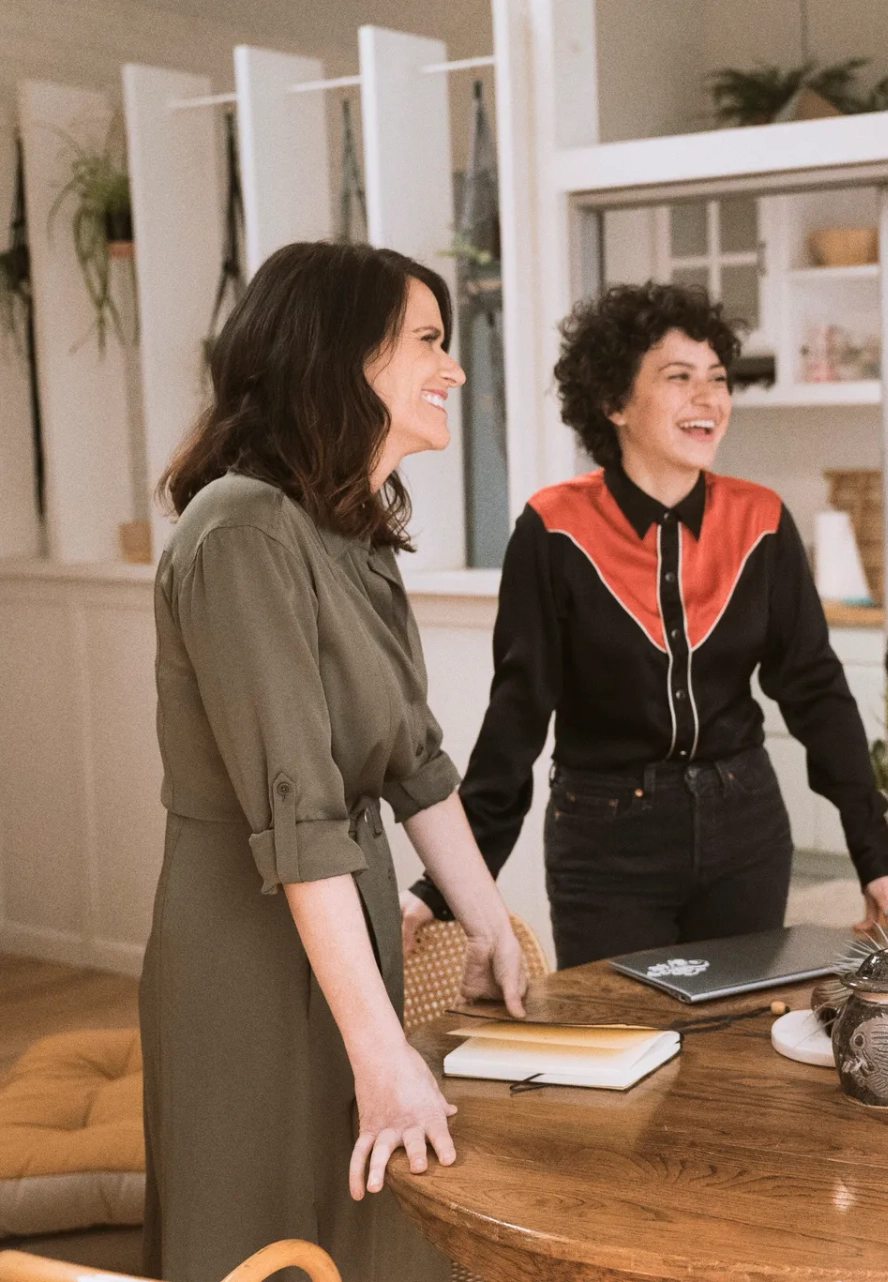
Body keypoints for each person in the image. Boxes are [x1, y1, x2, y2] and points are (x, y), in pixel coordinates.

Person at [145, 240, 528, 1282]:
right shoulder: (240, 533)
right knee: (276, 1224)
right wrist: (381, 1051)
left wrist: (491, 928)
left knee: (377, 1217)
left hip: (347, 922)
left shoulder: (350, 533)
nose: (453, 367)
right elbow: (300, 813)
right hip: (249, 946)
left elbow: (415, 759)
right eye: (429, 342)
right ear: (340, 358)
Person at [402, 282, 888, 968]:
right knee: (621, 1046)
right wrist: (442, 887)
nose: (708, 398)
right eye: (678, 379)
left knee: (735, 1046)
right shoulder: (554, 530)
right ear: (614, 402)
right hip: (606, 839)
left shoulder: (762, 521)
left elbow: (816, 692)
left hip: (744, 825)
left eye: (717, 379)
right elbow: (516, 718)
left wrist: (877, 857)